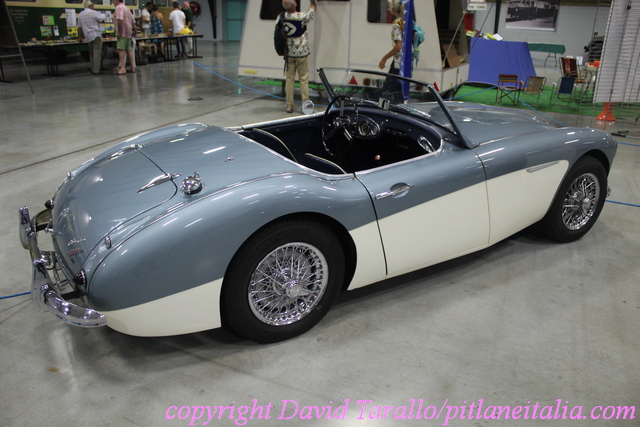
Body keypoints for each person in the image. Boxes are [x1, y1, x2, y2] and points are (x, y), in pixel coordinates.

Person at [282, 0, 316, 113]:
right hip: (302, 53)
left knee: (289, 80)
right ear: (293, 5)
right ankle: (306, 105)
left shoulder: (282, 16)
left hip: (289, 54)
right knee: (303, 79)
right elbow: (313, 9)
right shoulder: (302, 16)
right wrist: (312, 1)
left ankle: (289, 106)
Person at [378, 0, 404, 102]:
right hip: (405, 63)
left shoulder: (396, 24)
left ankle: (382, 110)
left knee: (387, 91)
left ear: (393, 9)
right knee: (399, 91)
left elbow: (398, 47)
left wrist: (384, 59)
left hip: (398, 62)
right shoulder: (406, 22)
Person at [77, 0, 105, 75]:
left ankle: (92, 69)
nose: (94, 7)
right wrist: (103, 15)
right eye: (93, 5)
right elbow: (101, 19)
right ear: (90, 6)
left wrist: (80, 37)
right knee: (97, 53)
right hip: (96, 35)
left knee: (91, 53)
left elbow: (79, 27)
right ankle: (96, 70)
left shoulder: (81, 14)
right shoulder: (93, 12)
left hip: (88, 36)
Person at [113, 0, 136, 74]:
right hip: (128, 32)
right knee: (128, 50)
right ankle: (132, 67)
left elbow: (119, 20)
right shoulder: (127, 8)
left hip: (122, 32)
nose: (112, 2)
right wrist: (135, 31)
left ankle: (123, 68)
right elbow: (133, 22)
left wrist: (119, 32)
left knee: (120, 50)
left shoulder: (119, 7)